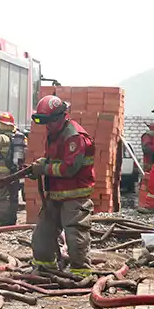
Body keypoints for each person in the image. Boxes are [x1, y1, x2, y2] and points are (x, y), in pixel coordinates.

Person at [27, 95, 96, 275]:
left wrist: (44, 169)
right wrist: (41, 164)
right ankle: (45, 266)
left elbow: (69, 168)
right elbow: (55, 159)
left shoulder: (75, 137)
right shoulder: (56, 132)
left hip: (75, 196)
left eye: (49, 121)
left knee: (76, 236)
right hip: (56, 194)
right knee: (42, 235)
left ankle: (80, 272)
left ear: (61, 116)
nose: (47, 126)